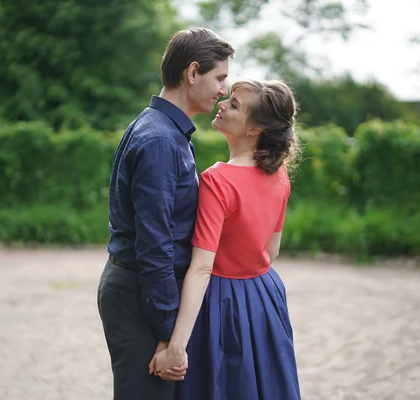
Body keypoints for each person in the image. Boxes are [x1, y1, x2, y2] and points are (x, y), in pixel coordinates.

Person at [96, 27, 234, 400]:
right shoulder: (159, 140)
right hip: (141, 297)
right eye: (219, 77)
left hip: (142, 294)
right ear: (192, 73)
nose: (223, 89)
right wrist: (169, 331)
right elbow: (155, 244)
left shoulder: (165, 130)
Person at [149, 79, 302, 400]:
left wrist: (175, 348)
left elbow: (202, 268)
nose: (222, 104)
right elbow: (271, 251)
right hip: (264, 296)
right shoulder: (279, 175)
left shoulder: (218, 180)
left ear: (254, 129)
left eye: (234, 105)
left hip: (220, 301)